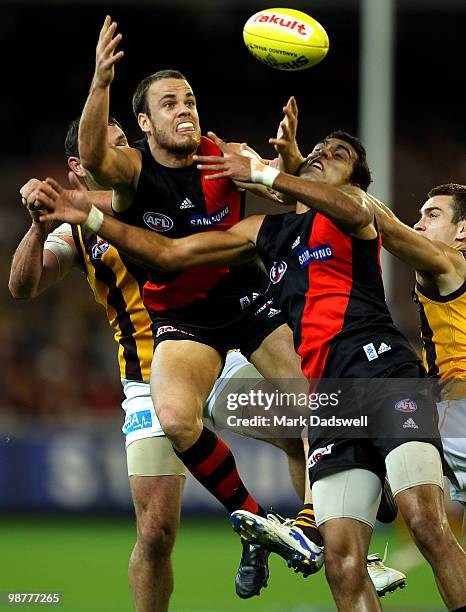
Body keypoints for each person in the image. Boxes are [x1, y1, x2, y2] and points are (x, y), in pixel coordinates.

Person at [31, 126, 466, 611]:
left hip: (385, 377)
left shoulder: (355, 215)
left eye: (338, 154)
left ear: (355, 179)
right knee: (342, 565)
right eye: (318, 151)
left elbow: (353, 205)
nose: (324, 154)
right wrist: (88, 215)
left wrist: (266, 172)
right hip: (327, 402)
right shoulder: (266, 234)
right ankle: (309, 518)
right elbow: (169, 254)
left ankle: (340, 505)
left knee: (426, 523)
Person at [10, 117, 312, 610]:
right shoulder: (75, 228)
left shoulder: (157, 190)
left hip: (218, 354)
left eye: (126, 143)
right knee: (154, 533)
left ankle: (325, 536)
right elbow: (24, 286)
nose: (123, 152)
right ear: (78, 165)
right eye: (112, 146)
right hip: (148, 378)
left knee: (303, 427)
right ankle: (257, 526)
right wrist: (38, 226)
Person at [75, 14, 326, 594]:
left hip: (248, 303)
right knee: (176, 417)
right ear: (144, 122)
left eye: (190, 100)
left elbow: (294, 208)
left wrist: (282, 162)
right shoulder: (132, 174)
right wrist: (99, 80)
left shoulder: (226, 158)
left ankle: (315, 522)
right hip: (184, 321)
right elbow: (93, 156)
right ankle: (262, 522)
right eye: (169, 104)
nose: (186, 110)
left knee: (317, 400)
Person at [372, 182, 466, 549]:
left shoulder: (447, 261)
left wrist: (321, 187)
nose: (419, 223)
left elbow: (386, 228)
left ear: (462, 230)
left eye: (433, 214)